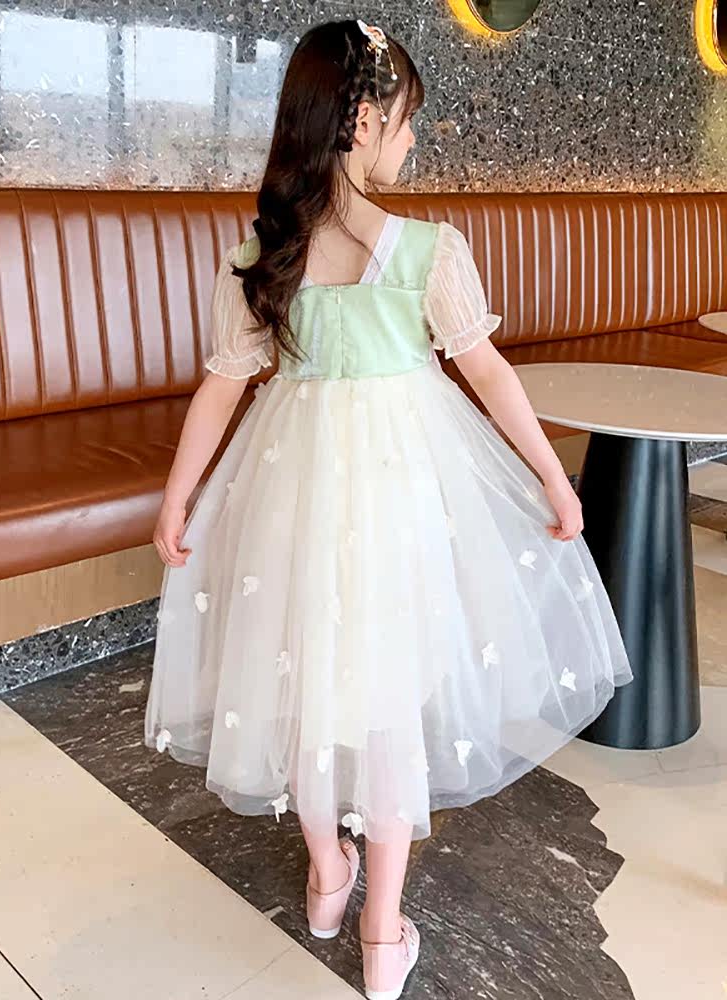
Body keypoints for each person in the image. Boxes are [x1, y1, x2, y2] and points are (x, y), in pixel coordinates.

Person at [144, 18, 633, 999]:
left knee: (304, 672)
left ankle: (329, 873)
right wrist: (549, 474)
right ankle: (380, 933)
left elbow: (221, 388)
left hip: (291, 483)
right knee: (390, 692)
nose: (412, 140)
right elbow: (487, 375)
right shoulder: (427, 252)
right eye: (407, 121)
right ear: (364, 121)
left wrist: (179, 497)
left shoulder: (263, 254)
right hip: (405, 486)